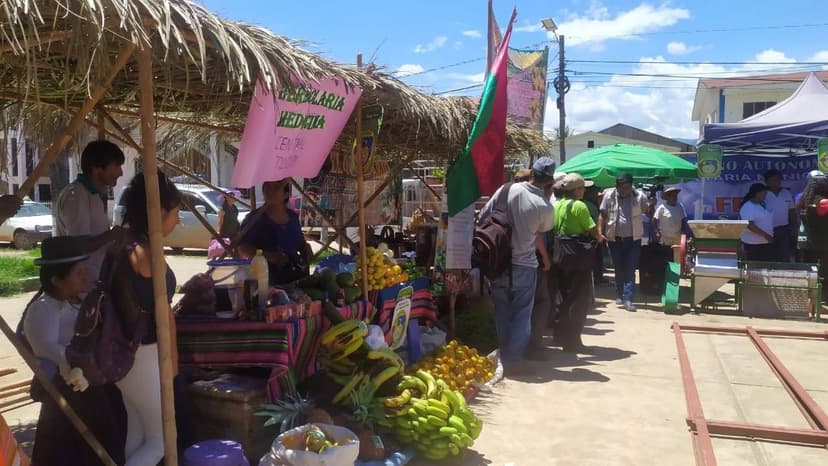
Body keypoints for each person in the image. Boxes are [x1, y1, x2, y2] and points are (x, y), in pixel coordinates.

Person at [20, 236, 126, 465]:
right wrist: (75, 366)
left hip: (87, 378)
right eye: (78, 273)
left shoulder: (75, 302)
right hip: (67, 385)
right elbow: (47, 348)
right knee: (69, 449)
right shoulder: (43, 309)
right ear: (57, 280)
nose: (85, 276)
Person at [112, 171, 182, 466]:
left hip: (125, 356)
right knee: (162, 440)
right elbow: (163, 315)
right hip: (144, 355)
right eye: (176, 213)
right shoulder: (147, 253)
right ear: (159, 211)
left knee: (139, 434)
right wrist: (173, 361)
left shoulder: (124, 243)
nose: (178, 221)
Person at [479, 157, 555, 375]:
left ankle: (504, 356)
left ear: (531, 173)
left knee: (502, 312)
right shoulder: (544, 206)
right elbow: (545, 228)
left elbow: (483, 216)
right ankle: (513, 359)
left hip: (498, 263)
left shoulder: (506, 190)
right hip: (525, 266)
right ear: (549, 181)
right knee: (522, 315)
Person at [54, 140, 126, 282]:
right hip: (81, 287)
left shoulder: (92, 195)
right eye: (116, 166)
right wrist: (111, 234)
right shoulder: (76, 195)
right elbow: (78, 246)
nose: (120, 172)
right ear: (96, 168)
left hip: (93, 282)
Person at [552, 174, 605, 352]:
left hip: (560, 255)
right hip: (577, 257)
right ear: (576, 190)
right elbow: (592, 230)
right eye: (582, 188)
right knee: (579, 299)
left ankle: (559, 336)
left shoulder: (557, 205)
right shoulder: (579, 206)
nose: (584, 191)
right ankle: (573, 341)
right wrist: (599, 236)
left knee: (562, 297)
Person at [239, 179, 311, 285]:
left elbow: (299, 242)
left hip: (295, 276)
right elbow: (243, 248)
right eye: (266, 186)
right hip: (266, 279)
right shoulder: (255, 218)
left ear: (286, 194)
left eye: (276, 187)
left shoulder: (292, 217)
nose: (269, 190)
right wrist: (269, 256)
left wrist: (305, 248)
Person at [598, 173, 648, 311]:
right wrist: (599, 232)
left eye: (628, 187)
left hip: (633, 239)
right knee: (619, 267)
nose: (626, 190)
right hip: (615, 238)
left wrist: (652, 204)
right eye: (623, 188)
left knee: (630, 268)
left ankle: (628, 298)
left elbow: (646, 210)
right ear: (617, 186)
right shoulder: (608, 196)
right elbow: (603, 215)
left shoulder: (639, 196)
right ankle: (620, 293)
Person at [763, 169, 796, 261]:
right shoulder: (763, 194)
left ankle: (784, 273)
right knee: (769, 254)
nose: (776, 182)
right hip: (767, 229)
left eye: (778, 180)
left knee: (784, 254)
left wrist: (793, 227)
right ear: (766, 182)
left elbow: (792, 211)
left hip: (784, 229)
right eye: (773, 180)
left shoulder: (786, 193)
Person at [739, 183, 775, 262]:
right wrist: (766, 235)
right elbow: (750, 225)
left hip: (765, 242)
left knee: (765, 267)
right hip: (753, 243)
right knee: (754, 268)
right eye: (764, 192)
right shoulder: (748, 207)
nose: (766, 194)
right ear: (757, 193)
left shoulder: (763, 204)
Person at [584, 185, 606, 285]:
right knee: (597, 258)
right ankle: (598, 279)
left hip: (587, 236)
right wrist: (598, 236)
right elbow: (594, 222)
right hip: (593, 236)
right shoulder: (590, 206)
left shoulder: (584, 204)